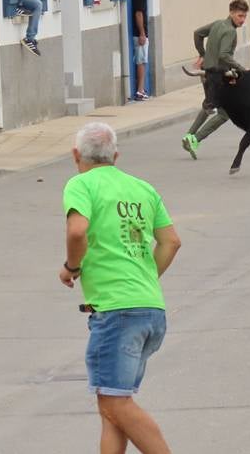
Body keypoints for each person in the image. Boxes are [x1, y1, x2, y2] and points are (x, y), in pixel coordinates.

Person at [60, 122, 181, 454]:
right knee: (112, 405)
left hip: (116, 312)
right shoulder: (142, 188)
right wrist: (144, 278)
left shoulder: (81, 185)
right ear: (115, 155)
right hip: (150, 309)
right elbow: (171, 242)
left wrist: (71, 267)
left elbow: (76, 231)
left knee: (116, 405)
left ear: (76, 155)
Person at [181, 0, 249, 159]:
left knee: (208, 104)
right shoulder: (230, 31)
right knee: (224, 114)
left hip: (207, 73)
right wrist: (242, 70)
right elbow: (224, 55)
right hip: (219, 76)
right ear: (231, 12)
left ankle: (189, 135)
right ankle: (195, 139)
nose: (242, 20)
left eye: (244, 16)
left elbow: (197, 33)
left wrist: (203, 54)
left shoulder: (218, 24)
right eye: (240, 16)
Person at [131, 0, 151, 101]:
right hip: (139, 34)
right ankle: (140, 90)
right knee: (141, 62)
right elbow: (139, 13)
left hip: (138, 33)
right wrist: (142, 33)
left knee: (141, 61)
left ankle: (141, 89)